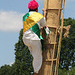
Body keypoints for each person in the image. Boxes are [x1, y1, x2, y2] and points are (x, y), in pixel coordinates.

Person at [23, 0, 50, 75]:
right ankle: (36, 72)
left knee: (34, 55)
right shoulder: (39, 16)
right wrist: (44, 15)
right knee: (38, 57)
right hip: (34, 39)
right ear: (37, 9)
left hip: (25, 39)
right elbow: (44, 23)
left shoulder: (24, 16)